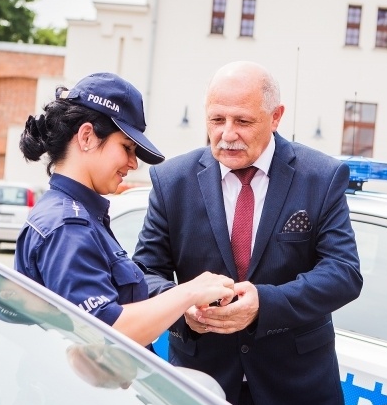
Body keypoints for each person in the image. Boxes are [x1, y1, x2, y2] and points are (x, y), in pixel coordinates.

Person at [132, 61, 363, 405]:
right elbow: (145, 273)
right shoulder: (172, 181)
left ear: (276, 117)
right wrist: (181, 304)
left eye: (242, 120)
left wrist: (264, 305)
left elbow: (343, 272)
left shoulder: (320, 177)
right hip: (199, 396)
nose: (226, 134)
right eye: (216, 119)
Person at [14, 72, 236, 347]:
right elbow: (103, 332)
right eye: (127, 147)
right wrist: (190, 293)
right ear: (87, 137)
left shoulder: (77, 215)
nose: (133, 163)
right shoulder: (67, 227)